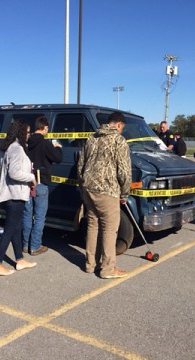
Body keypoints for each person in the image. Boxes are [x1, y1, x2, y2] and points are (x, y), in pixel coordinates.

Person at [78, 111, 131, 279]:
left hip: (88, 188)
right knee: (109, 229)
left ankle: (89, 264)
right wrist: (125, 192)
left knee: (93, 225)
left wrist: (82, 186)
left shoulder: (92, 138)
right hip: (107, 190)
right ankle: (108, 269)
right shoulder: (119, 141)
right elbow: (124, 171)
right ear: (119, 125)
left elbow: (81, 165)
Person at [0, 120, 37, 276]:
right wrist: (31, 177)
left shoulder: (9, 148)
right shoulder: (17, 149)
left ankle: (20, 259)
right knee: (10, 229)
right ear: (21, 133)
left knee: (16, 228)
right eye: (28, 132)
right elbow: (14, 173)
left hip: (12, 193)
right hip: (15, 194)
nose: (29, 135)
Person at [23, 115, 63, 256]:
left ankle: (25, 244)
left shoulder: (26, 142)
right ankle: (35, 246)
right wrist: (58, 147)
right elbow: (58, 158)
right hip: (41, 182)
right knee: (39, 216)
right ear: (45, 128)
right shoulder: (45, 144)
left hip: (27, 182)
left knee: (27, 215)